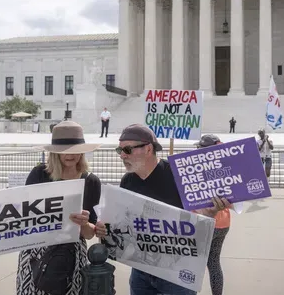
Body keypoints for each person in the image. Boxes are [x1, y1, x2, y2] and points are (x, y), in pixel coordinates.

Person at [116, 124, 229, 295]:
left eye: (127, 149)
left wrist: (211, 212)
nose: (122, 155)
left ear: (148, 149)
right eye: (120, 150)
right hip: (141, 271)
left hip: (178, 274)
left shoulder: (180, 175)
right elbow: (125, 222)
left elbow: (202, 218)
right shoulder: (127, 181)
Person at [16, 121, 107, 295]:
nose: (70, 154)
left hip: (72, 254)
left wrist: (83, 223)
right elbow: (23, 219)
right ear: (54, 152)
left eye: (74, 149)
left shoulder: (91, 181)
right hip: (36, 253)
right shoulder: (39, 174)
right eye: (64, 150)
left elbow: (89, 234)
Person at [194, 134, 231, 295]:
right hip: (223, 223)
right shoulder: (224, 169)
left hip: (203, 223)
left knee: (191, 263)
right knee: (214, 262)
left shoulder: (198, 170)